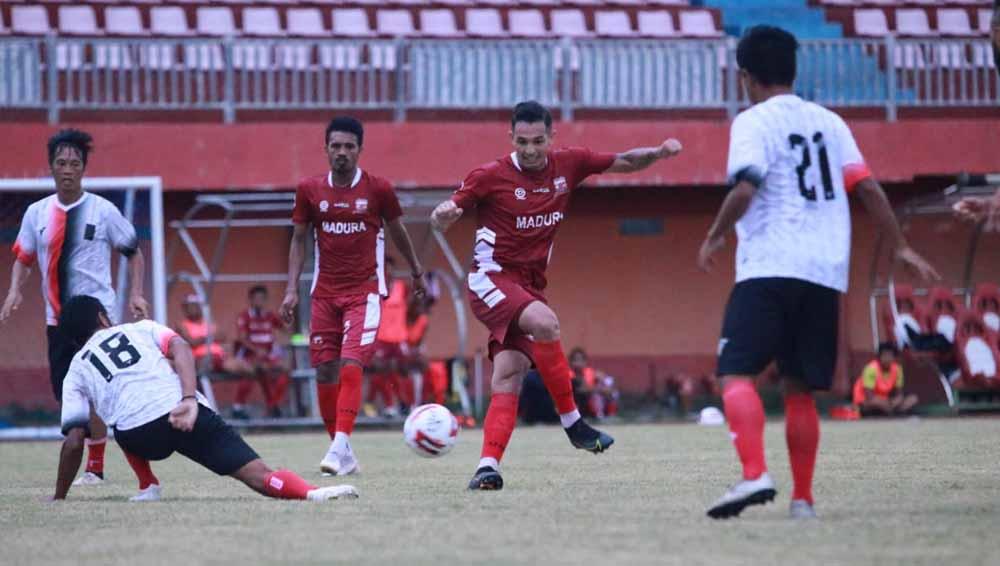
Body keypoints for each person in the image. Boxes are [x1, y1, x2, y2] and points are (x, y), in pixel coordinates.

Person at [696, 27, 939, 520]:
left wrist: (716, 234)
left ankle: (754, 475)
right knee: (799, 387)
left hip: (769, 267)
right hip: (826, 272)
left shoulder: (752, 121)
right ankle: (802, 500)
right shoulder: (830, 122)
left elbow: (745, 189)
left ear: (744, 76)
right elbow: (868, 189)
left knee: (735, 374)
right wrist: (902, 247)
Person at [430, 100, 683, 490]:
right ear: (510, 137)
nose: (530, 150)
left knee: (509, 375)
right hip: (490, 279)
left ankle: (487, 467)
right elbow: (449, 209)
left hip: (529, 285)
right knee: (546, 323)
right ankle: (574, 423)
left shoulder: (570, 164)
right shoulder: (489, 176)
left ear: (552, 137)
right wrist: (442, 214)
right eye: (521, 141)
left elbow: (625, 162)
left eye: (537, 141)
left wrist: (658, 154)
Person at [51, 295, 358, 502]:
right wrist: (188, 398)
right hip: (186, 413)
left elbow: (75, 441)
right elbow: (181, 348)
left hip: (139, 437)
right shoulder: (140, 327)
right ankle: (310, 493)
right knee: (259, 475)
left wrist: (58, 497)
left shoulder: (75, 370)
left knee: (119, 412)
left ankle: (148, 484)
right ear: (104, 318)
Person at [1, 129, 160, 498]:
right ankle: (95, 466)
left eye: (74, 163)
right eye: (61, 163)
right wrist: (14, 291)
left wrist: (136, 294)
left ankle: (107, 469)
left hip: (97, 323)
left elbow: (133, 251)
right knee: (70, 397)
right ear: (51, 167)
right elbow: (23, 259)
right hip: (57, 323)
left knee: (109, 394)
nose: (67, 169)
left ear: (84, 168)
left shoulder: (103, 210)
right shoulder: (35, 213)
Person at [280, 116, 426, 476]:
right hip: (323, 294)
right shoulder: (310, 190)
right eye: (336, 146)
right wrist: (289, 290)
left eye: (349, 146)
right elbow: (298, 241)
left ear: (360, 150)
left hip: (365, 292)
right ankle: (341, 452)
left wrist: (416, 269)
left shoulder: (378, 190)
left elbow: (398, 231)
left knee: (350, 363)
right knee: (325, 369)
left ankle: (339, 445)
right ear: (326, 149)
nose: (342, 152)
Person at [234, 286, 290, 419]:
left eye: (262, 299)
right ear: (250, 300)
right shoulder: (245, 316)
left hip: (268, 356)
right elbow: (241, 338)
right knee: (256, 370)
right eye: (256, 298)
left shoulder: (270, 316)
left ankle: (273, 405)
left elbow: (285, 330)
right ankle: (238, 407)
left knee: (286, 369)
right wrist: (256, 350)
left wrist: (281, 343)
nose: (259, 301)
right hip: (250, 356)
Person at [174, 294, 252, 377]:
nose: (193, 309)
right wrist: (210, 337)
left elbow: (222, 336)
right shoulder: (182, 325)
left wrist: (203, 339)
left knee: (245, 366)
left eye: (195, 306)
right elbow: (192, 342)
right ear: (185, 309)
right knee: (209, 364)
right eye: (190, 307)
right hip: (200, 359)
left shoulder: (208, 323)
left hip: (219, 357)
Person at [852, 343, 918, 416]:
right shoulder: (871, 369)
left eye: (890, 356)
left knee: (913, 399)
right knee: (878, 403)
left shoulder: (897, 369)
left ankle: (893, 411)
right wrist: (887, 402)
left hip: (887, 401)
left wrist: (896, 400)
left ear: (894, 357)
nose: (887, 359)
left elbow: (899, 394)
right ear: (879, 357)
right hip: (866, 401)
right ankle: (894, 412)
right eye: (885, 355)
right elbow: (869, 397)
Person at [568, 347, 619, 419]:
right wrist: (599, 390)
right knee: (595, 395)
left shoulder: (590, 372)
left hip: (594, 398)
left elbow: (607, 384)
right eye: (575, 360)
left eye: (581, 360)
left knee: (611, 391)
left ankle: (611, 415)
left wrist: (603, 382)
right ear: (570, 362)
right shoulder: (569, 375)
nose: (578, 363)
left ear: (585, 362)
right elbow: (582, 390)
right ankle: (598, 416)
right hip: (579, 403)